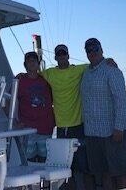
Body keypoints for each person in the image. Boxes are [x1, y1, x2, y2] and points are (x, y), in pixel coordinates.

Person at [80, 38, 126, 190]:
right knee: (104, 172)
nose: (92, 52)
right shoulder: (86, 73)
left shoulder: (112, 70)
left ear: (101, 49)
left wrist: (119, 128)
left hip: (113, 132)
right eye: (89, 50)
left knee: (120, 172)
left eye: (95, 49)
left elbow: (121, 100)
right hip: (93, 133)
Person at [41, 44, 95, 190]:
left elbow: (96, 62)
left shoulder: (78, 70)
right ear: (55, 57)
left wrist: (110, 60)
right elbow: (33, 74)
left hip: (79, 126)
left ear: (68, 55)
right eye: (59, 54)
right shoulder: (49, 73)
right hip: (61, 128)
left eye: (64, 53)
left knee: (86, 167)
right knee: (66, 170)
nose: (62, 56)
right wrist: (21, 75)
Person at [16, 51, 55, 162]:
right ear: (24, 65)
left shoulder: (47, 79)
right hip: (27, 130)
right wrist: (14, 121)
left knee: (46, 163)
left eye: (34, 61)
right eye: (28, 61)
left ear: (39, 64)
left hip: (46, 128)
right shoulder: (19, 81)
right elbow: (6, 101)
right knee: (29, 163)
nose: (31, 63)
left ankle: (46, 181)